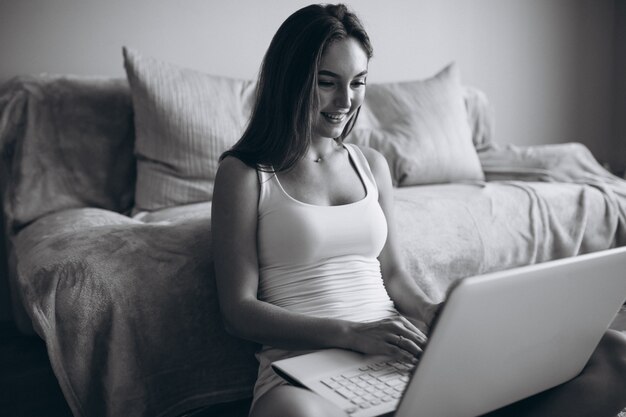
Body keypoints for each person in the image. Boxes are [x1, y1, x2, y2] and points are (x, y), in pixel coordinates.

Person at [211, 4, 626, 417]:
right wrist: (353, 334)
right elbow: (238, 311)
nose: (346, 100)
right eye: (326, 82)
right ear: (291, 80)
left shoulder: (371, 164)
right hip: (302, 370)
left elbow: (393, 275)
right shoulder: (245, 173)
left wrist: (433, 311)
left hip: (393, 351)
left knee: (613, 353)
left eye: (358, 82)